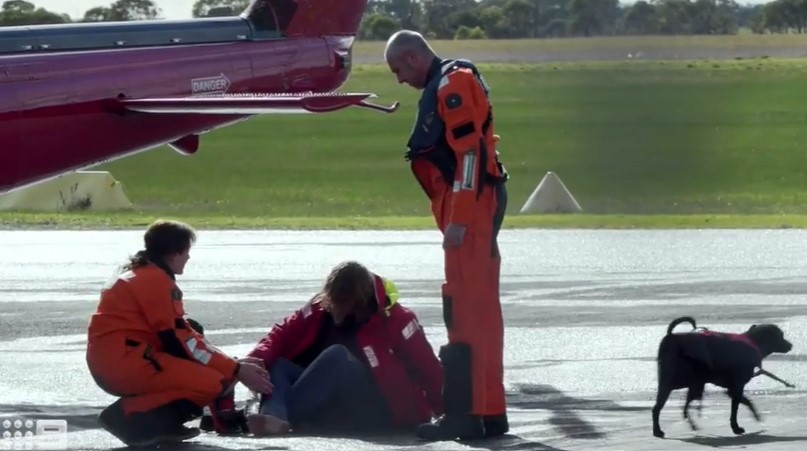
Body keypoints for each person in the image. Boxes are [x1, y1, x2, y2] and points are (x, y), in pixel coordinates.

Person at [383, 30, 510, 441]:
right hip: (474, 206)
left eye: (398, 69)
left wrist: (459, 218)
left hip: (469, 211)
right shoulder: (452, 80)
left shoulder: (452, 83)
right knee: (482, 313)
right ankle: (489, 411)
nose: (399, 79)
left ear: (412, 56)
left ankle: (467, 415)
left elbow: (468, 155)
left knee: (466, 313)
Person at [85, 219, 272, 447]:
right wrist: (235, 369)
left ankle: (149, 422)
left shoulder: (139, 272)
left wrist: (229, 365)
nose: (188, 258)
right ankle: (130, 416)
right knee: (211, 383)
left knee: (198, 341)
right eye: (186, 252)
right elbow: (180, 341)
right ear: (174, 253)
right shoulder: (155, 280)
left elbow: (184, 333)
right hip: (127, 363)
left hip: (119, 359)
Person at [240, 260, 444, 437]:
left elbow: (427, 367)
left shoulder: (398, 320)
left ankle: (271, 414)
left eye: (347, 303)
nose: (340, 310)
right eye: (336, 302)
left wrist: (446, 413)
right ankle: (273, 417)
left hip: (379, 407)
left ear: (362, 300)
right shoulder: (319, 307)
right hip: (327, 400)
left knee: (337, 356)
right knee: (277, 364)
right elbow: (282, 334)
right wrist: (253, 362)